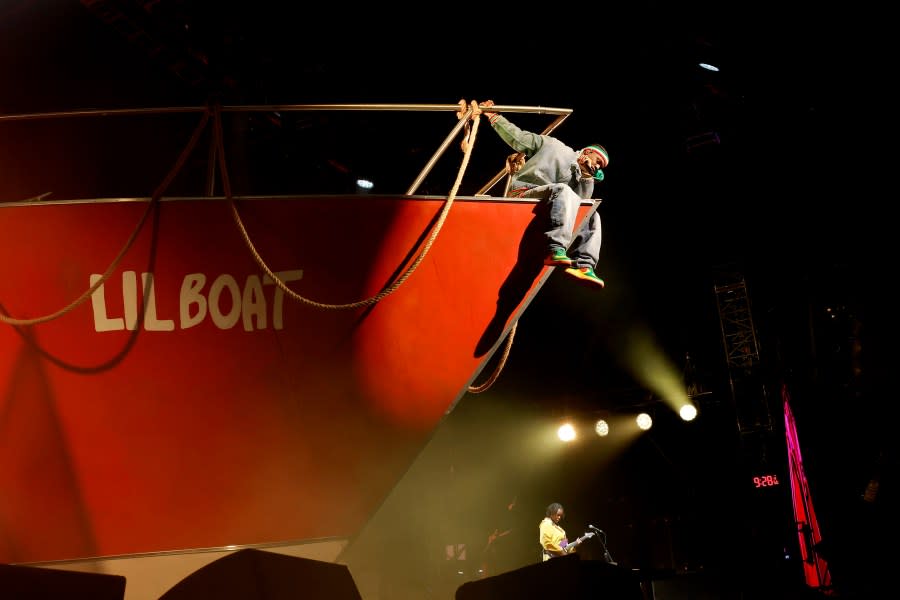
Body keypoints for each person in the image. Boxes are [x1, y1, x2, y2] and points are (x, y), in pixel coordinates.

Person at [481, 100, 609, 289]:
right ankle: (555, 247)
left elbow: (582, 207)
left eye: (600, 167)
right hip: (524, 193)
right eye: (597, 161)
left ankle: (584, 265)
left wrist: (588, 177)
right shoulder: (554, 147)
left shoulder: (583, 179)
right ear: (587, 152)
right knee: (563, 190)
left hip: (550, 205)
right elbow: (519, 137)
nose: (597, 166)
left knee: (593, 214)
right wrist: (493, 116)